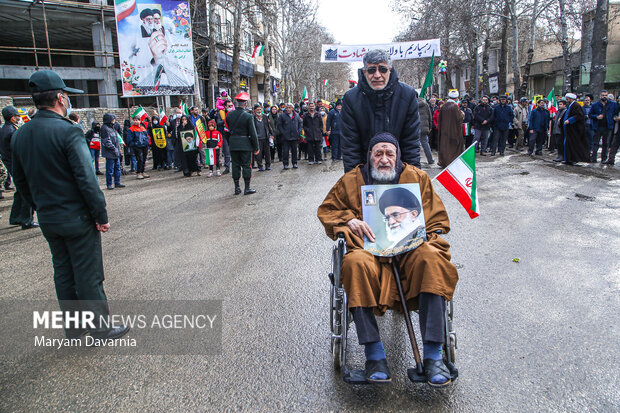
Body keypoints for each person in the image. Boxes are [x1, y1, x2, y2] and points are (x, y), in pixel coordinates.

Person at [317, 132, 458, 387]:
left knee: (432, 259)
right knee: (354, 263)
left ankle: (434, 356)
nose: (384, 159)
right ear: (370, 156)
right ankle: (374, 355)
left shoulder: (417, 177)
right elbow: (329, 210)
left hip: (411, 253)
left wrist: (421, 232)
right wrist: (350, 220)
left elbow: (436, 220)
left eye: (389, 153)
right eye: (378, 153)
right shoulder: (352, 180)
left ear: (398, 156)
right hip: (371, 253)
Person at [11, 69, 129, 340]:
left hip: (49, 218)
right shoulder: (69, 132)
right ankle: (99, 327)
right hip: (76, 217)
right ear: (61, 99)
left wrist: (37, 207)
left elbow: (21, 180)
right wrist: (100, 214)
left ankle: (75, 329)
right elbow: (86, 179)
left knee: (63, 273)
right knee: (88, 273)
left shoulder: (21, 134)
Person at [340, 49, 421, 172]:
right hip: (365, 170)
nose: (377, 75)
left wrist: (414, 176)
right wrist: (353, 179)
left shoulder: (407, 95)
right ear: (364, 72)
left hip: (398, 169)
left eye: (382, 69)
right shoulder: (351, 98)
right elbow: (350, 145)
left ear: (390, 70)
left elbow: (411, 142)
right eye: (372, 70)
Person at [2, 105, 38, 229]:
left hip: (10, 162)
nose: (19, 118)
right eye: (17, 116)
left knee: (20, 191)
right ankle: (26, 220)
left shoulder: (5, 129)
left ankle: (16, 217)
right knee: (26, 190)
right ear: (12, 118)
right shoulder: (12, 131)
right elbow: (20, 149)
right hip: (18, 164)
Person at [224, 92, 259, 194]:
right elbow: (253, 133)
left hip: (233, 144)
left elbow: (226, 131)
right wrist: (256, 146)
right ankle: (247, 188)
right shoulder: (248, 116)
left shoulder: (229, 115)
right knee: (246, 166)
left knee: (235, 165)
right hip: (245, 144)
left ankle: (237, 188)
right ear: (245, 104)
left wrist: (231, 141)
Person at [437, 90, 465, 168]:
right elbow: (459, 118)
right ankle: (452, 162)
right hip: (454, 131)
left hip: (444, 131)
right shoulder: (455, 106)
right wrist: (462, 114)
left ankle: (443, 161)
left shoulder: (444, 106)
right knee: (453, 148)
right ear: (456, 98)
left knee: (445, 147)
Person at [559, 93, 589, 165]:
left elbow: (579, 115)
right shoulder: (570, 106)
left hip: (574, 131)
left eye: (567, 99)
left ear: (571, 99)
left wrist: (570, 120)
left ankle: (572, 159)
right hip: (568, 130)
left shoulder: (576, 105)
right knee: (567, 144)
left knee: (572, 145)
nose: (566, 100)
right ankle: (567, 159)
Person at [589, 90, 618, 163]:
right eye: (603, 95)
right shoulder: (595, 105)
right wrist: (596, 116)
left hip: (608, 127)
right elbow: (590, 114)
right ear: (600, 96)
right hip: (598, 126)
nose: (604, 97)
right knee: (596, 143)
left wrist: (614, 118)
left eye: (605, 95)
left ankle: (604, 158)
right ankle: (593, 158)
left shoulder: (613, 104)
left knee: (606, 143)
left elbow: (616, 112)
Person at [100, 113, 125, 190]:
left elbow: (117, 139)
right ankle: (109, 184)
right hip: (110, 152)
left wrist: (118, 148)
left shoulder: (112, 128)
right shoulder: (104, 128)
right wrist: (114, 148)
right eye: (113, 119)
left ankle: (117, 182)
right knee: (110, 169)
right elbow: (106, 141)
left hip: (116, 151)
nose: (114, 121)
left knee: (117, 168)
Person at [277, 103, 303, 170]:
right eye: (287, 107)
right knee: (285, 151)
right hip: (286, 137)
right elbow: (279, 125)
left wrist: (299, 131)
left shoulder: (296, 115)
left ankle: (294, 163)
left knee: (294, 151)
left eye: (289, 107)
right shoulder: (282, 116)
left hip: (295, 136)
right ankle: (285, 164)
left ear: (292, 108)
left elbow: (300, 123)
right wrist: (283, 132)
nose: (288, 109)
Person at [215, 100, 233, 174]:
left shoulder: (233, 113)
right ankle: (227, 167)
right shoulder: (220, 114)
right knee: (226, 151)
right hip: (224, 134)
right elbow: (218, 123)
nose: (230, 107)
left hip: (232, 133)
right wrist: (225, 120)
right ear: (225, 106)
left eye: (231, 106)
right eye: (229, 106)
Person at [253, 104, 273, 171]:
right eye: (257, 109)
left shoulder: (264, 117)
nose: (259, 111)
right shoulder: (253, 118)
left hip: (265, 137)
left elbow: (268, 126)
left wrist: (271, 134)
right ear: (254, 110)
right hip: (258, 138)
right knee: (259, 153)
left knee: (267, 152)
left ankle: (268, 165)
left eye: (260, 109)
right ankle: (260, 166)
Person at [416, 97, 434, 165]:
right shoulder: (425, 104)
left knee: (415, 145)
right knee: (425, 144)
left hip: (416, 127)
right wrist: (430, 126)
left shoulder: (412, 104)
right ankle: (430, 159)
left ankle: (416, 160)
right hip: (425, 128)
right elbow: (430, 115)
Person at [605, 96, 620, 165]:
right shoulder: (618, 108)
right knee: (614, 145)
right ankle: (611, 159)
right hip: (617, 130)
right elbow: (614, 114)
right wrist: (615, 118)